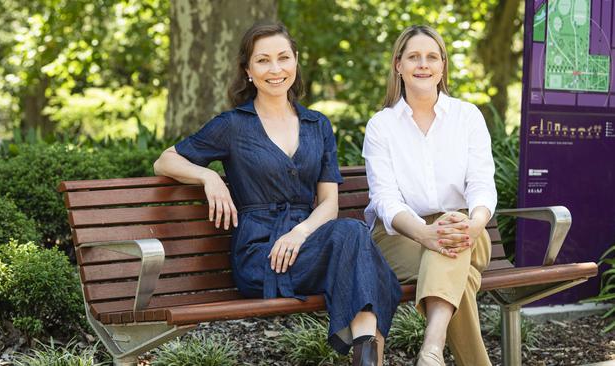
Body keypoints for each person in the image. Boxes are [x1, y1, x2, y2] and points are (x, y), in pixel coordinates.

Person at [154, 21, 401, 366]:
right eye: (263, 60)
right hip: (260, 255)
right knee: (358, 240)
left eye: (283, 58)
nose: (275, 69)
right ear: (248, 70)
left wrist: (299, 233)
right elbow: (165, 160)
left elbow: (329, 204)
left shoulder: (318, 125)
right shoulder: (232, 125)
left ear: (296, 61)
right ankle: (367, 350)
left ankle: (365, 349)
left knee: (350, 231)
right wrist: (207, 176)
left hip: (309, 246)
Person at [362, 25, 496, 366]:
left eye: (432, 57)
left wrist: (474, 225)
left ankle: (433, 346)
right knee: (457, 274)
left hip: (468, 230)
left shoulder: (467, 117)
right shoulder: (382, 125)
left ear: (443, 65)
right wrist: (427, 234)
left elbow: (481, 185)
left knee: (451, 231)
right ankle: (431, 351)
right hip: (401, 235)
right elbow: (386, 200)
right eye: (414, 57)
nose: (423, 64)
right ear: (398, 66)